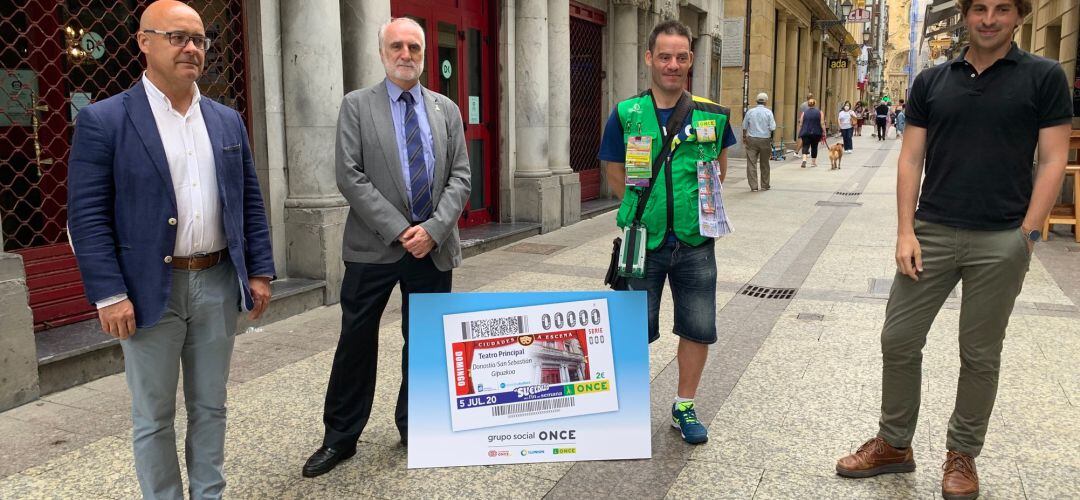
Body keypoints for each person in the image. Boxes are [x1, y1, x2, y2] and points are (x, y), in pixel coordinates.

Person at [834, 0, 1072, 499]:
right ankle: (895, 444)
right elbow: (910, 157)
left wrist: (1028, 235)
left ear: (1019, 16)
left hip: (1001, 237)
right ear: (965, 15)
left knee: (979, 354)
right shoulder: (932, 81)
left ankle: (961, 454)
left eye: (1001, 9)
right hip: (933, 231)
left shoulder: (1044, 76)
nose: (989, 18)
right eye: (979, 8)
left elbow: (1052, 159)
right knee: (898, 339)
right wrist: (905, 230)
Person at [66, 1, 275, 497]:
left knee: (211, 405)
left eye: (200, 40)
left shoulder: (226, 121)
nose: (191, 49)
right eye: (178, 37)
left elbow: (249, 201)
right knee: (153, 415)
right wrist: (108, 293)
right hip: (145, 291)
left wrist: (260, 271)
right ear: (144, 42)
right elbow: (87, 216)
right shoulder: (105, 120)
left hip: (217, 283)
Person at [302, 17, 471, 478]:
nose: (406, 54)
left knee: (424, 342)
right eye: (396, 46)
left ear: (423, 54)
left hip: (432, 249)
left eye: (414, 47)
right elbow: (349, 176)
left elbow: (461, 176)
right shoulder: (357, 106)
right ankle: (340, 437)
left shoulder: (445, 109)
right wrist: (401, 229)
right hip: (373, 249)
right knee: (356, 341)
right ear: (382, 53)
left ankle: (415, 426)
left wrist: (433, 229)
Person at [598, 20, 736, 445]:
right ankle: (630, 407)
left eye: (680, 57)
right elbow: (614, 173)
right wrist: (647, 209)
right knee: (633, 328)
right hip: (644, 243)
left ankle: (684, 405)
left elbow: (720, 172)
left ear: (690, 60)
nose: (672, 65)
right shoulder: (626, 114)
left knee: (697, 326)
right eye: (664, 56)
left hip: (695, 243)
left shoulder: (712, 114)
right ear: (649, 59)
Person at [742, 92, 777, 191]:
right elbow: (773, 127)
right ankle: (765, 185)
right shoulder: (768, 112)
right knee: (765, 163)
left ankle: (753, 186)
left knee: (751, 163)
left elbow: (744, 126)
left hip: (752, 139)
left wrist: (744, 137)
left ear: (756, 101)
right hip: (765, 139)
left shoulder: (750, 111)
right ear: (766, 102)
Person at [796, 98, 826, 168]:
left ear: (808, 105)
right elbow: (822, 123)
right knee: (814, 146)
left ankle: (804, 160)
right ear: (815, 104)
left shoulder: (804, 112)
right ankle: (813, 162)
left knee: (805, 145)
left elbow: (801, 123)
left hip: (806, 132)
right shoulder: (820, 112)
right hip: (816, 132)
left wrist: (799, 132)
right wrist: (824, 131)